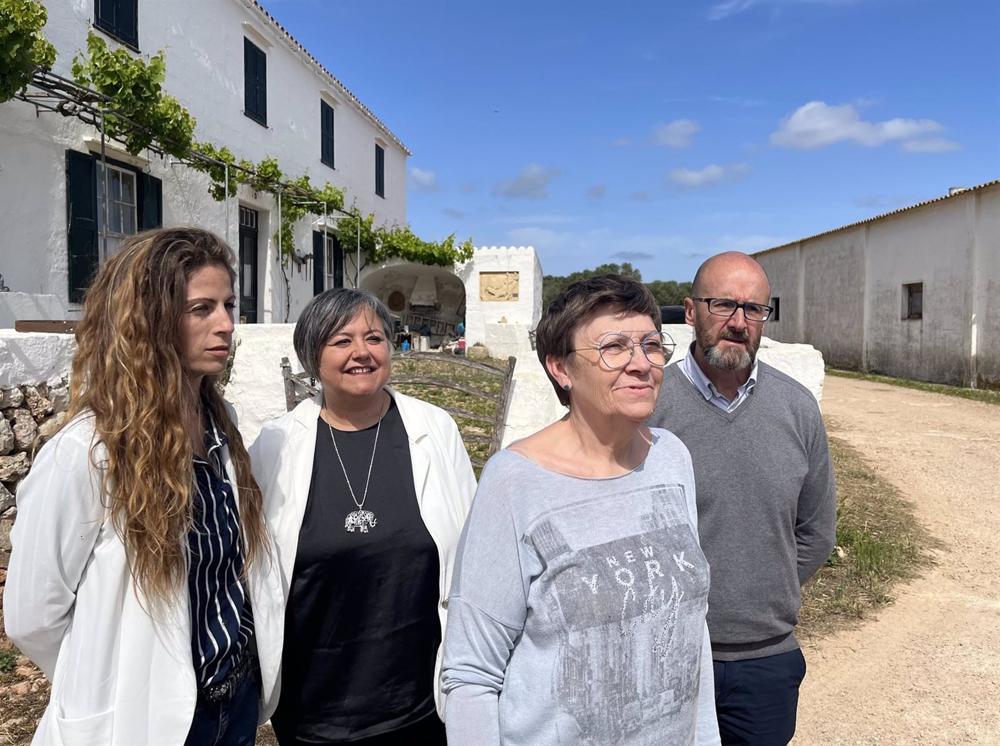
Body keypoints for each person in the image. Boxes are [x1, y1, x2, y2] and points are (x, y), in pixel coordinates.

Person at [3, 228, 283, 746]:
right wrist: (107, 680)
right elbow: (32, 616)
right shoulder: (88, 453)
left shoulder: (223, 428)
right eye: (201, 309)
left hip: (235, 704)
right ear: (150, 321)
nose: (225, 325)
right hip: (143, 721)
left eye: (227, 305)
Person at [442, 275, 720, 745]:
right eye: (614, 347)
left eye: (652, 345)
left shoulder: (671, 458)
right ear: (561, 369)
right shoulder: (515, 482)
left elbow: (692, 631)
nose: (642, 364)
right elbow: (472, 674)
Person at [249, 288, 476, 745]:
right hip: (314, 712)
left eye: (374, 338)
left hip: (422, 706)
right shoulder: (274, 446)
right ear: (313, 357)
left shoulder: (435, 430)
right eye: (341, 341)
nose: (362, 353)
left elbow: (471, 551)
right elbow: (252, 571)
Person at [648, 251, 837, 745]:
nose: (739, 322)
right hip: (665, 656)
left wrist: (763, 586)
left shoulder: (797, 408)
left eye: (754, 309)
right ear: (690, 312)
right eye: (723, 305)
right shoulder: (647, 408)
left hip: (765, 663)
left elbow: (816, 533)